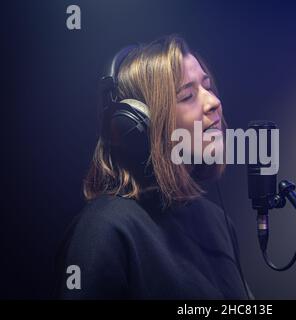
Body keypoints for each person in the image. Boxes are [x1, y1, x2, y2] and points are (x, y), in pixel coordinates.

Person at [56, 35, 253, 299]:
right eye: (187, 96)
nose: (213, 102)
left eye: (208, 87)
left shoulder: (217, 222)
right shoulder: (105, 230)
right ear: (140, 126)